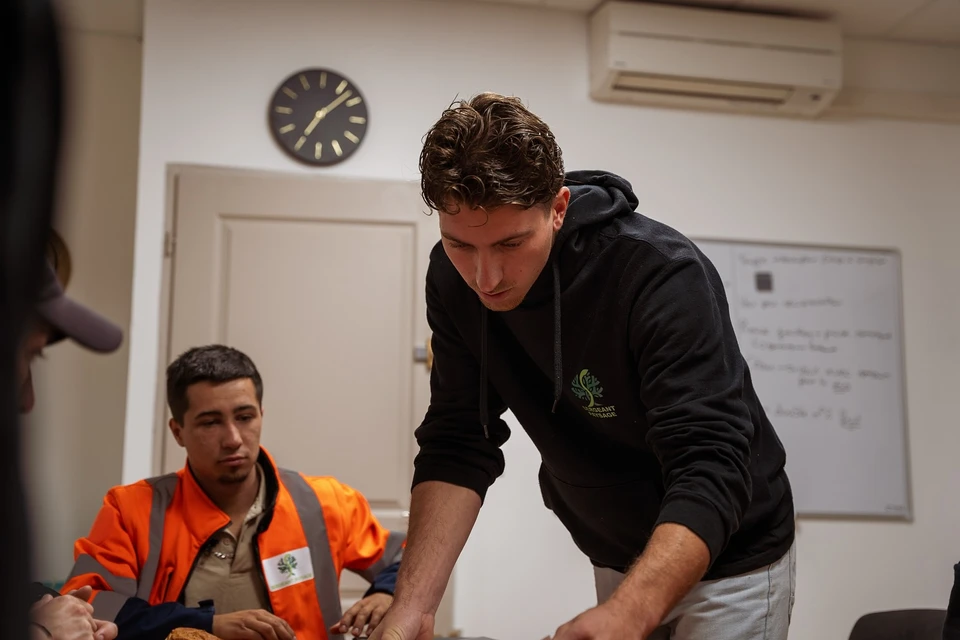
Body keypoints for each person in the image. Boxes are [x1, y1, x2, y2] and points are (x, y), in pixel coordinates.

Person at [371, 93, 796, 640]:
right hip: (615, 550)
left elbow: (711, 461)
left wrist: (629, 612)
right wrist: (411, 607)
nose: (485, 277)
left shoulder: (658, 273)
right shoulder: (453, 282)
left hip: (731, 557)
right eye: (460, 245)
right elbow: (458, 439)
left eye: (511, 243)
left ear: (559, 207)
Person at [62, 344, 405, 640]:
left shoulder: (325, 501)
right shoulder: (131, 509)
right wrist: (208, 625)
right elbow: (86, 604)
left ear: (261, 415)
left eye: (245, 417)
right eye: (211, 422)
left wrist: (386, 593)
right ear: (178, 431)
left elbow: (406, 555)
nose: (234, 439)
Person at [20, 260, 124, 640]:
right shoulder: (130, 506)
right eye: (26, 355)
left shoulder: (313, 498)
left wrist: (63, 609)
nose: (27, 399)